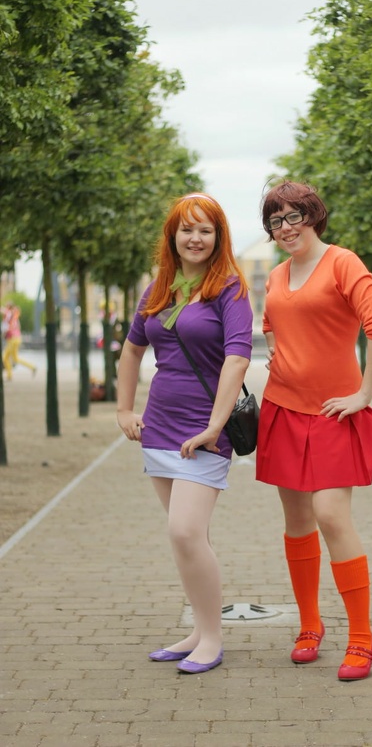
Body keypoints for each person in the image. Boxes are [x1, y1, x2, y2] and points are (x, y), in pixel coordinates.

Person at [256, 181, 372, 681]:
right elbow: (271, 322)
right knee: (297, 521)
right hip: (282, 409)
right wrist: (276, 350)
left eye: (294, 216)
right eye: (276, 220)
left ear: (314, 215)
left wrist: (364, 394)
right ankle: (309, 626)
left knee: (331, 514)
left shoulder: (342, 263)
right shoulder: (276, 275)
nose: (285, 227)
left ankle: (361, 636)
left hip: (335, 412)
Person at [116, 193, 253, 674]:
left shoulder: (230, 289)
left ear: (219, 237)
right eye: (187, 229)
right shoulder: (159, 289)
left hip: (205, 431)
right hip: (159, 428)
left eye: (205, 230)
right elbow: (131, 351)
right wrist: (124, 409)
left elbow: (237, 359)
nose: (195, 238)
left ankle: (212, 639)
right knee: (189, 539)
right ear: (172, 235)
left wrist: (214, 426)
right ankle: (198, 631)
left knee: (185, 531)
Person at [1, 302, 37, 380]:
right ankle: (32, 367)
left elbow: (4, 312)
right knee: (11, 358)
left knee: (7, 358)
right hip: (16, 338)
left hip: (12, 339)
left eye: (7, 307)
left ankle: (10, 375)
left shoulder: (9, 314)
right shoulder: (15, 317)